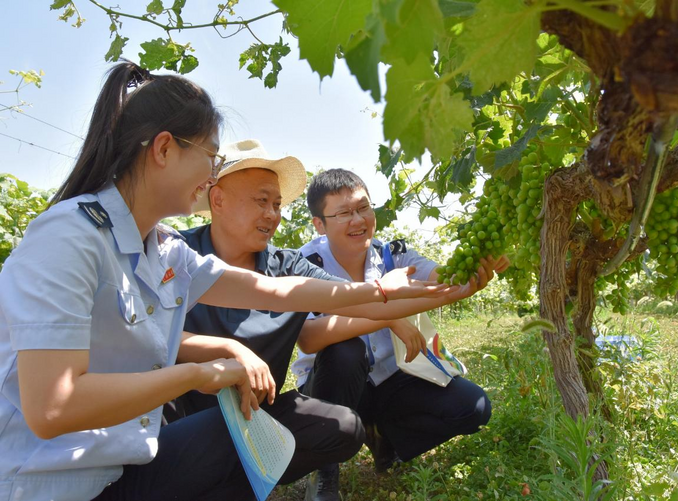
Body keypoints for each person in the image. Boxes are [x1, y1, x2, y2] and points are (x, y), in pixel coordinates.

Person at [0, 63, 448, 501]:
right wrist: (200, 371)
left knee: (247, 434)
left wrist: (383, 290)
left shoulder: (162, 249)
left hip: (122, 464)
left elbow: (276, 290)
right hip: (53, 482)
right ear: (163, 149)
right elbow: (52, 408)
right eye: (210, 156)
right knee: (227, 434)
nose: (212, 172)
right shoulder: (69, 238)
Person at [168, 139, 504, 501]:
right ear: (217, 200)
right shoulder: (175, 254)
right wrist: (225, 348)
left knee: (344, 429)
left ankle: (253, 471)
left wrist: (451, 291)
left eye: (277, 204)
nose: (272, 214)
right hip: (179, 413)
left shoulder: (288, 266)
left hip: (254, 416)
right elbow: (139, 335)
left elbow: (356, 298)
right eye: (261, 201)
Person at [292, 169, 511, 491]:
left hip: (391, 378)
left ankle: (384, 440)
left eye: (363, 208)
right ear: (319, 224)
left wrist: (475, 267)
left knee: (472, 407)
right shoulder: (305, 265)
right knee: (344, 350)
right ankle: (323, 473)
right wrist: (389, 317)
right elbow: (310, 338)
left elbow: (441, 279)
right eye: (343, 213)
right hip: (332, 385)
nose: (358, 220)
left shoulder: (392, 254)